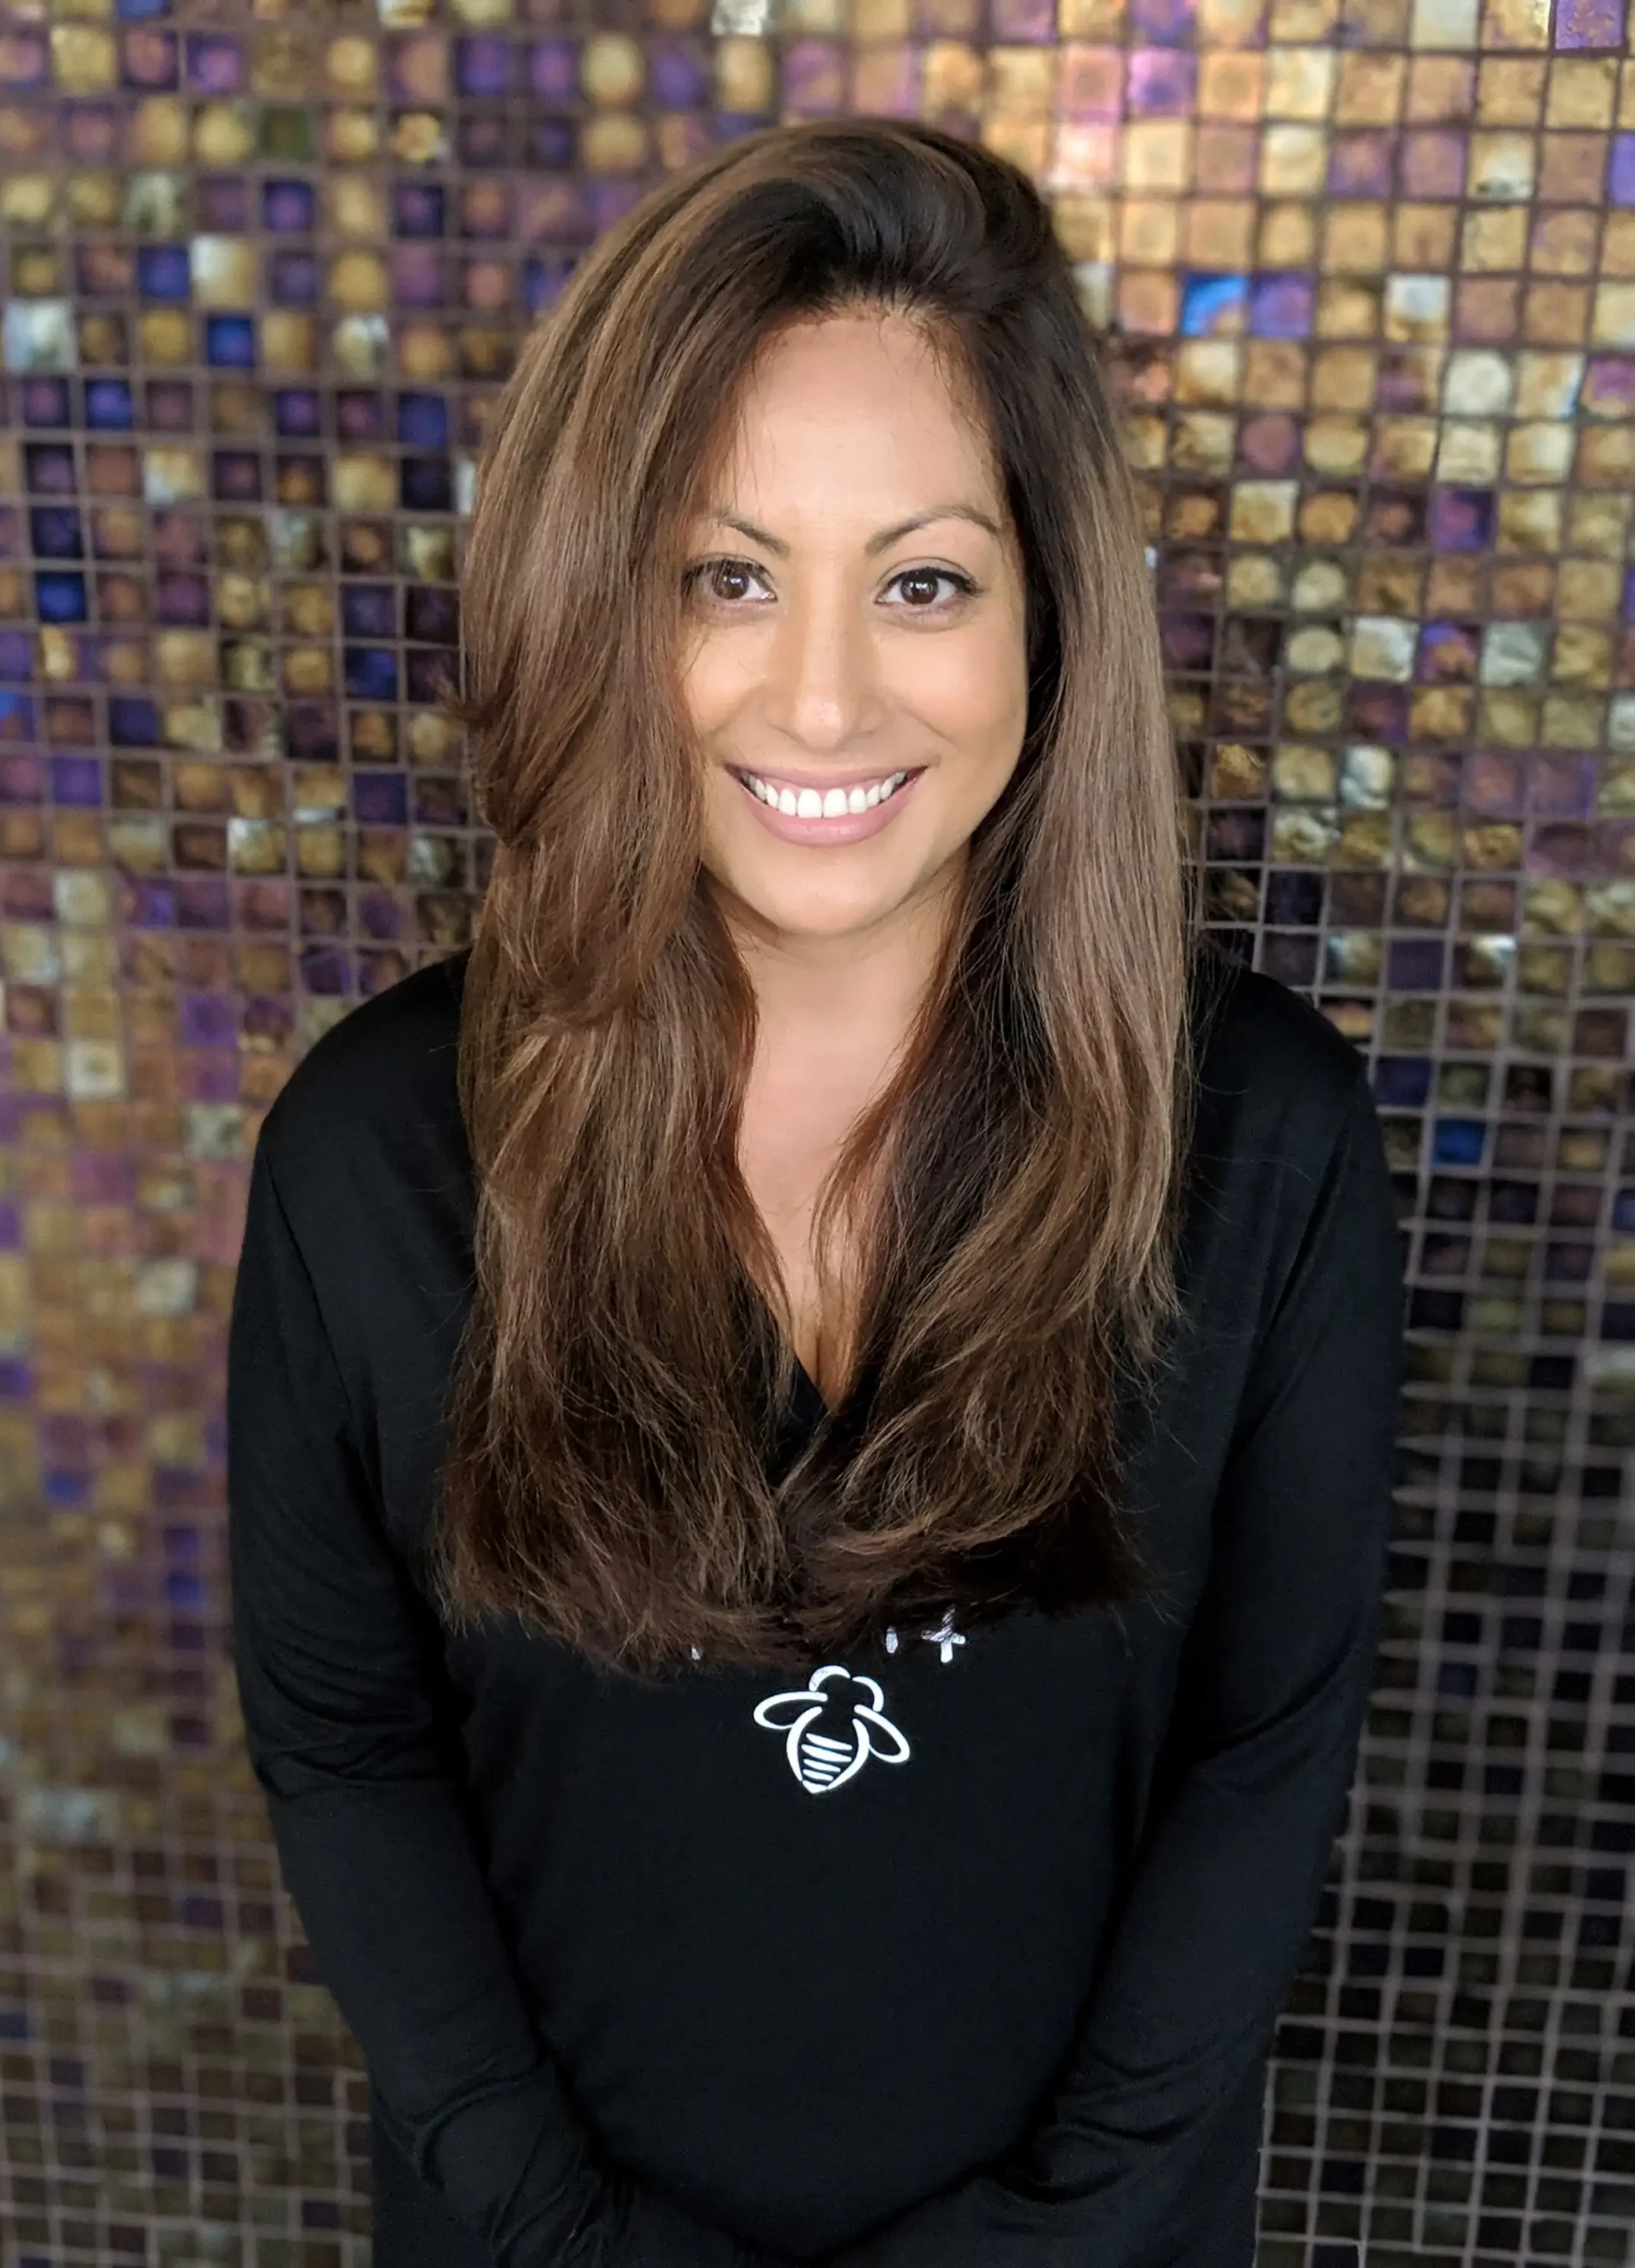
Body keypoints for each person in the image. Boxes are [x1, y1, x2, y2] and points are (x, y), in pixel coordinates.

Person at [225, 116, 1406, 2268]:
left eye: (924, 579)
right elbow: (345, 1741)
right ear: (603, 602)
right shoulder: (372, 1155)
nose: (827, 695)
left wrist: (1043, 2239)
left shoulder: (1267, 1142)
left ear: (1050, 614)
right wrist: (560, 2227)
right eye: (729, 575)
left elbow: (1266, 1747)